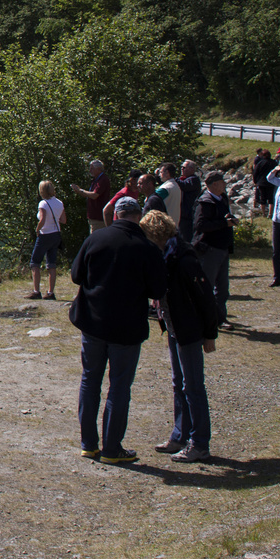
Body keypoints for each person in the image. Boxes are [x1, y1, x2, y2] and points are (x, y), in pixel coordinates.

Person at [68, 195, 166, 465]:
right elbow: (158, 290)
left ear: (116, 215)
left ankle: (89, 444)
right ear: (138, 216)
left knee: (90, 381)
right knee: (119, 386)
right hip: (126, 327)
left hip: (93, 323)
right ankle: (112, 448)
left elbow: (76, 275)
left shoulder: (95, 239)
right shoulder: (147, 248)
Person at [141, 210, 217, 463]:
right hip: (174, 327)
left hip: (189, 329)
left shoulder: (183, 259)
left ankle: (200, 443)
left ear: (155, 235)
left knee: (193, 386)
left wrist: (209, 334)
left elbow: (205, 297)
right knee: (178, 383)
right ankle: (179, 436)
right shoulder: (165, 256)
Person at [192, 171, 238, 328]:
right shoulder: (205, 202)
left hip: (223, 248)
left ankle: (219, 319)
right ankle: (204, 318)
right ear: (214, 184)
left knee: (223, 288)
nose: (225, 184)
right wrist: (224, 224)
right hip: (210, 249)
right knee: (207, 286)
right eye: (222, 182)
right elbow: (200, 226)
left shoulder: (222, 198)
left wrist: (229, 220)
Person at [30, 181, 65, 300]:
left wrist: (37, 229)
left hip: (45, 235)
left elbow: (43, 219)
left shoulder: (43, 204)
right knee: (51, 264)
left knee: (35, 263)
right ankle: (50, 292)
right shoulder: (59, 203)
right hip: (56, 235)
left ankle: (36, 291)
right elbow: (64, 220)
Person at [69, 160, 112, 232]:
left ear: (98, 169)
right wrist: (78, 191)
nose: (90, 170)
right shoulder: (96, 180)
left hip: (98, 218)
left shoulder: (103, 180)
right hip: (94, 216)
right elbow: (89, 195)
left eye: (92, 168)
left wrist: (80, 190)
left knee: (96, 239)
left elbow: (94, 195)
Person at [175, 160, 203, 245]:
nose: (182, 169)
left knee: (186, 237)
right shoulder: (184, 179)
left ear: (191, 169)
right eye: (181, 167)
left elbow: (184, 186)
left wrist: (172, 178)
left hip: (188, 214)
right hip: (183, 214)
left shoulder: (193, 180)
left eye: (184, 167)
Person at [252, 149, 276, 218]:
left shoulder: (260, 163)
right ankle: (270, 214)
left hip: (261, 182)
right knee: (271, 199)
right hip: (271, 182)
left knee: (263, 198)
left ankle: (264, 214)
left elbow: (255, 172)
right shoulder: (273, 162)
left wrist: (255, 181)